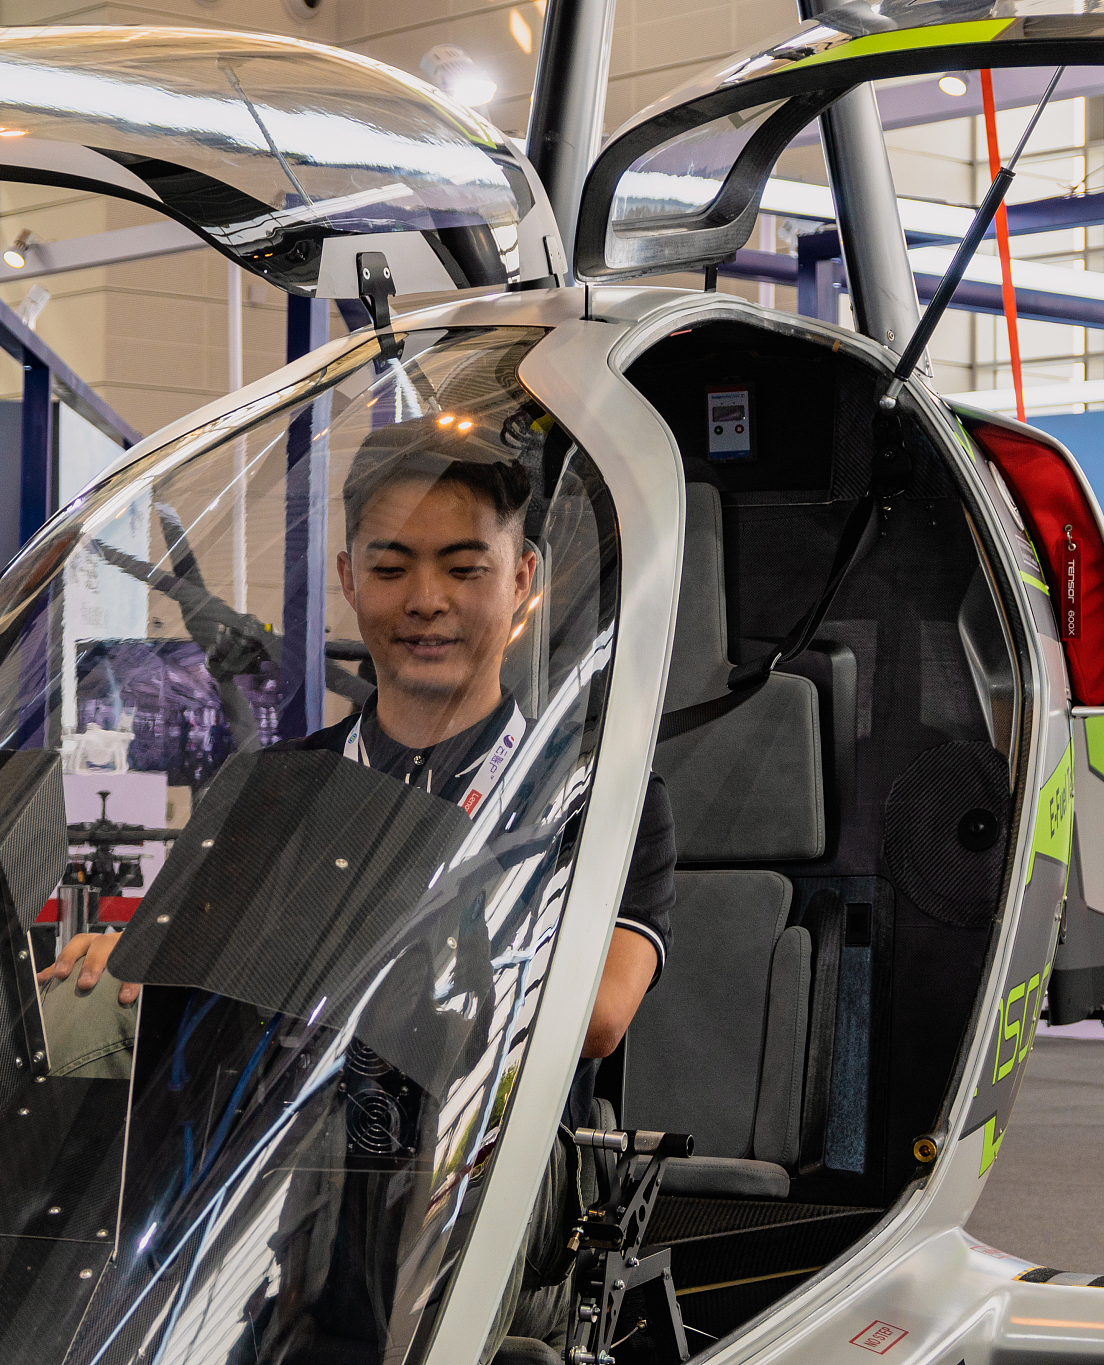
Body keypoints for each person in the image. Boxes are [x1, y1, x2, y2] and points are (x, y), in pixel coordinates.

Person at [42, 419, 674, 1123]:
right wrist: (133, 961)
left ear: (523, 580)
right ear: (348, 577)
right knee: (82, 1004)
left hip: (487, 1171)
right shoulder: (273, 788)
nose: (426, 599)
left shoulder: (590, 793)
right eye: (390, 567)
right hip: (279, 1172)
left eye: (464, 568)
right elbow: (184, 973)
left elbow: (601, 1012)